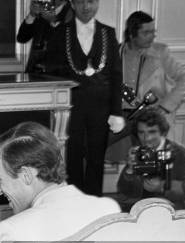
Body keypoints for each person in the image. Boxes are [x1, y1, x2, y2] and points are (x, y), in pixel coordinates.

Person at [43, 0, 124, 196]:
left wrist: (116, 112)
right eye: (80, 2)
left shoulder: (108, 32)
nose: (86, 7)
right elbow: (50, 70)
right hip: (71, 106)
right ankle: (75, 201)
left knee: (97, 157)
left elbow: (116, 74)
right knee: (73, 155)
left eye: (91, 1)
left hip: (101, 107)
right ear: (72, 3)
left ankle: (95, 202)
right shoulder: (59, 32)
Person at [106, 10, 185, 162]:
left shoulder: (161, 53)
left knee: (152, 166)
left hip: (151, 118)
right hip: (121, 117)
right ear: (132, 34)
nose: (152, 36)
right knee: (118, 161)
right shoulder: (115, 53)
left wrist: (165, 106)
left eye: (153, 31)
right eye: (146, 32)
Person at [116, 107, 185, 210]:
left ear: (162, 132)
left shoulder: (181, 153)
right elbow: (124, 191)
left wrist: (162, 186)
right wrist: (129, 171)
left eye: (152, 132)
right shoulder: (138, 152)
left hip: (174, 209)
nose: (146, 138)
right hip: (142, 209)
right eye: (141, 132)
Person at [16, 0, 73, 73]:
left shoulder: (73, 11)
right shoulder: (43, 8)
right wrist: (32, 15)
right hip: (35, 73)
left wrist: (52, 20)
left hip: (60, 74)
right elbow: (22, 38)